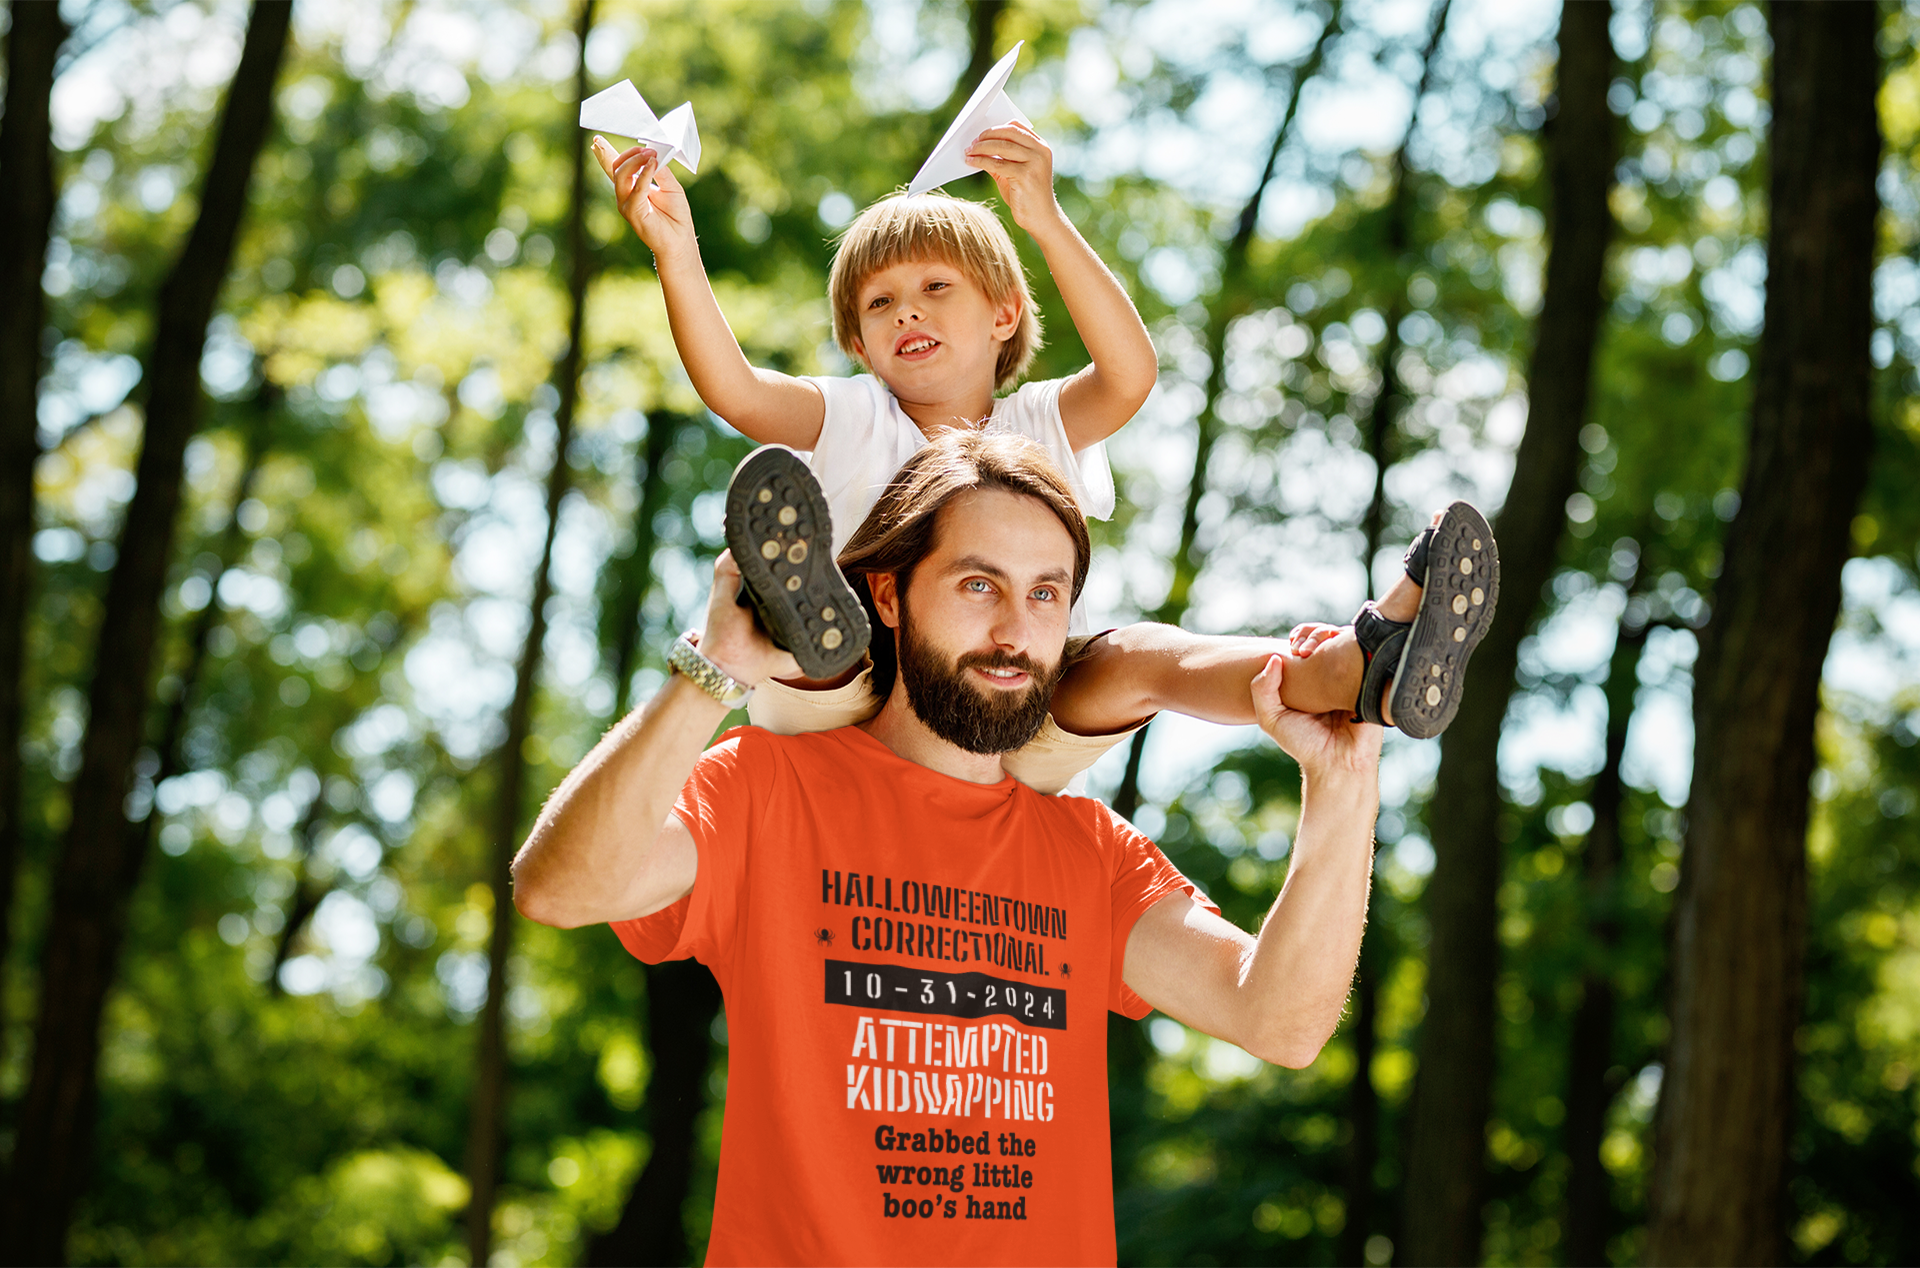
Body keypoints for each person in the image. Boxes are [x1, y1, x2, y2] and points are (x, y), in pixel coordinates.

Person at [513, 432, 1384, 1265]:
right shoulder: (763, 790)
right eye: (979, 584)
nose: (1015, 628)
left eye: (1046, 593)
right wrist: (714, 673)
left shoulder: (1093, 852)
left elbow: (1279, 1021)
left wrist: (1343, 787)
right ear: (888, 595)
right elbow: (560, 888)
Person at [587, 120, 1500, 793]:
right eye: (879, 304)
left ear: (1002, 315)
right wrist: (677, 250)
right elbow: (737, 392)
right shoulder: (850, 414)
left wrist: (1046, 219)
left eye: (934, 288)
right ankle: (807, 618)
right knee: (828, 642)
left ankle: (1358, 666)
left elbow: (1131, 374)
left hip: (1006, 704)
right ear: (859, 347)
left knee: (1146, 656)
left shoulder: (1039, 423)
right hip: (843, 709)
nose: (905, 310)